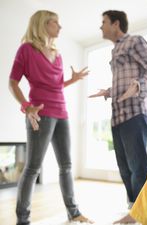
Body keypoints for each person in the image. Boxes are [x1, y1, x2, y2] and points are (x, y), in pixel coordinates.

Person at [8, 10, 93, 225]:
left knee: (66, 165)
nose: (60, 27)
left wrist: (71, 80)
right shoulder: (26, 50)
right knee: (33, 168)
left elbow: (55, 85)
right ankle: (23, 220)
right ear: (42, 25)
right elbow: (13, 82)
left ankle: (73, 213)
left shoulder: (58, 54)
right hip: (40, 112)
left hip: (61, 112)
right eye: (55, 23)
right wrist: (27, 107)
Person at [89, 10, 147, 207]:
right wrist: (109, 91)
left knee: (138, 166)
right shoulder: (115, 50)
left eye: (103, 22)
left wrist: (139, 85)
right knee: (125, 168)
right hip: (117, 116)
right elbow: (124, 83)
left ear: (115, 24)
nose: (101, 26)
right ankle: (133, 209)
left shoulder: (134, 41)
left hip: (135, 113)